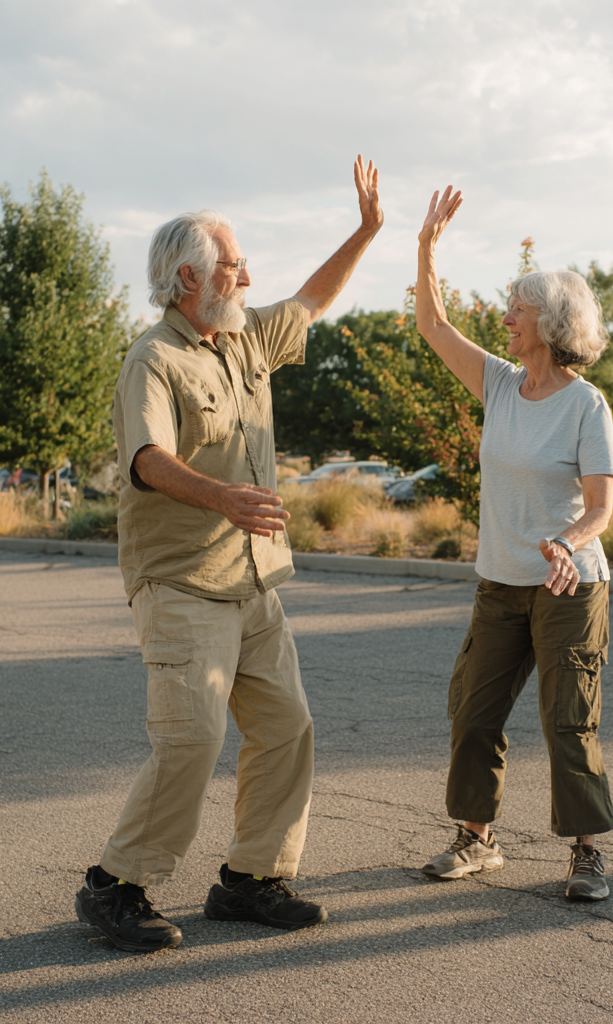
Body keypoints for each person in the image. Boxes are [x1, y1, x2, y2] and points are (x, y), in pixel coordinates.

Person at [75, 156, 384, 951]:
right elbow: (146, 458)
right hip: (179, 583)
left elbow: (314, 299)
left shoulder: (244, 340)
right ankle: (118, 885)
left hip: (253, 584)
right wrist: (223, 498)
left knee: (287, 729)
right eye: (235, 265)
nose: (248, 275)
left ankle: (250, 879)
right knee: (193, 739)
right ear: (190, 278)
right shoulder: (155, 359)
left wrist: (366, 230)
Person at [416, 187, 613, 901]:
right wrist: (427, 248)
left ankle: (588, 854)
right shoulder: (500, 385)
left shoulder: (585, 403)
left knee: (569, 723)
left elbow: (600, 507)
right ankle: (477, 839)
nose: (506, 318)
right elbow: (433, 326)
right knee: (472, 713)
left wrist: (566, 543)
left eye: (518, 309)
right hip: (500, 583)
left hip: (569, 586)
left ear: (552, 322)